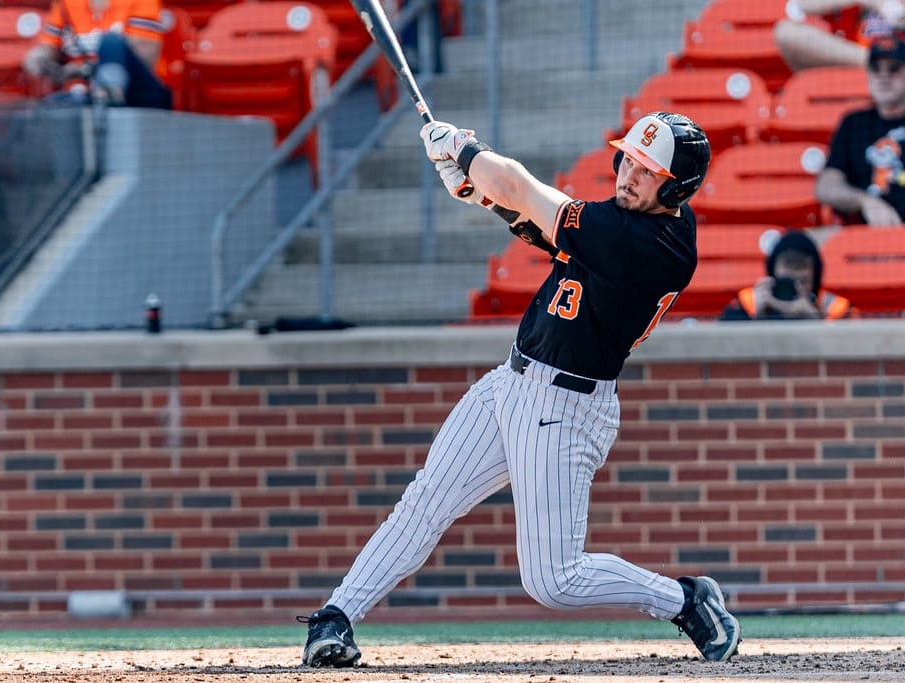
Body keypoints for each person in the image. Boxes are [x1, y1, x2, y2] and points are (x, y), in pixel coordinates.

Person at [298, 112, 743, 668]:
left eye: (648, 169)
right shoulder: (624, 222)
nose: (629, 173)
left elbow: (522, 190)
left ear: (676, 187)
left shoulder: (656, 246)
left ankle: (683, 599)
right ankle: (336, 616)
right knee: (425, 501)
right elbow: (536, 221)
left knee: (553, 580)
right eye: (628, 158)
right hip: (511, 382)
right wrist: (482, 194)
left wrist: (464, 150)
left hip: (567, 406)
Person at [816, 35, 905, 225]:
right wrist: (865, 201)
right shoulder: (853, 123)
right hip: (862, 238)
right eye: (875, 68)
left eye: (894, 68)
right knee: (796, 245)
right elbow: (825, 186)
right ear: (867, 75)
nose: (884, 76)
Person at [23, 0, 172, 109]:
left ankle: (109, 96)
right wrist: (38, 58)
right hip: (86, 93)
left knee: (111, 42)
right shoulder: (66, 3)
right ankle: (101, 101)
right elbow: (49, 47)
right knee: (50, 106)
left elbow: (146, 59)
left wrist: (85, 70)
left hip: (140, 96)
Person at [719, 229, 854, 320]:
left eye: (802, 265)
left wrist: (813, 319)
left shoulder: (833, 306)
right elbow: (720, 343)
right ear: (773, 269)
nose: (794, 273)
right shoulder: (751, 301)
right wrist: (756, 317)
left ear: (815, 273)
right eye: (789, 264)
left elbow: (856, 347)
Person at [774, 0, 904, 72]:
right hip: (855, 61)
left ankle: (884, 63)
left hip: (900, 64)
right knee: (787, 33)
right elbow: (801, 4)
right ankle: (876, 62)